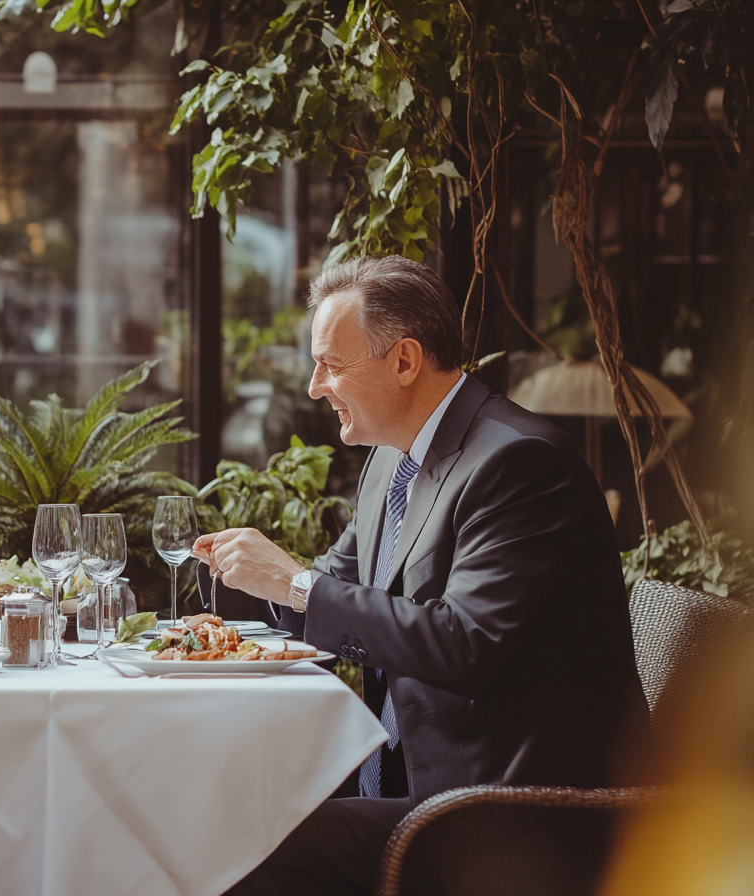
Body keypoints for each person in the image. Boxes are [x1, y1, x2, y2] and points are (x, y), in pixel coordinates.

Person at [197, 256, 648, 896]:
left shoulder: (518, 462)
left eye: (332, 364)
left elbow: (466, 643)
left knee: (247, 842)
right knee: (218, 799)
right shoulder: (393, 459)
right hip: (418, 783)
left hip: (509, 813)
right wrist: (257, 590)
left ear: (405, 362)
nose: (314, 386)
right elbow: (337, 586)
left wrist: (296, 583)